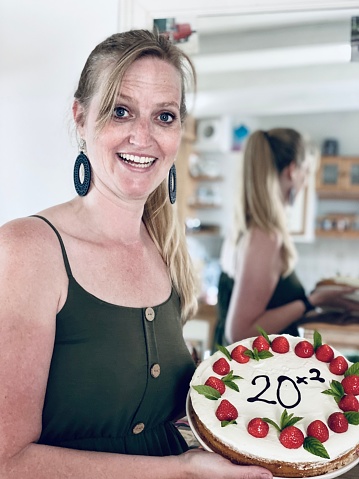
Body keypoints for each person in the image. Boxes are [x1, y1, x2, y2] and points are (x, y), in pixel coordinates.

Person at [0, 30, 273, 479]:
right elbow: (8, 462)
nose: (143, 137)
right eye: (121, 111)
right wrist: (180, 470)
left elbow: (150, 415)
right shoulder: (29, 250)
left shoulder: (165, 251)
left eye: (164, 116)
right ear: (80, 118)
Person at [213, 128, 359, 348]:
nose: (305, 182)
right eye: (307, 172)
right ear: (292, 171)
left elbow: (267, 316)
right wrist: (310, 301)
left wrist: (319, 313)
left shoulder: (248, 228)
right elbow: (240, 333)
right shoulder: (265, 236)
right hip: (255, 372)